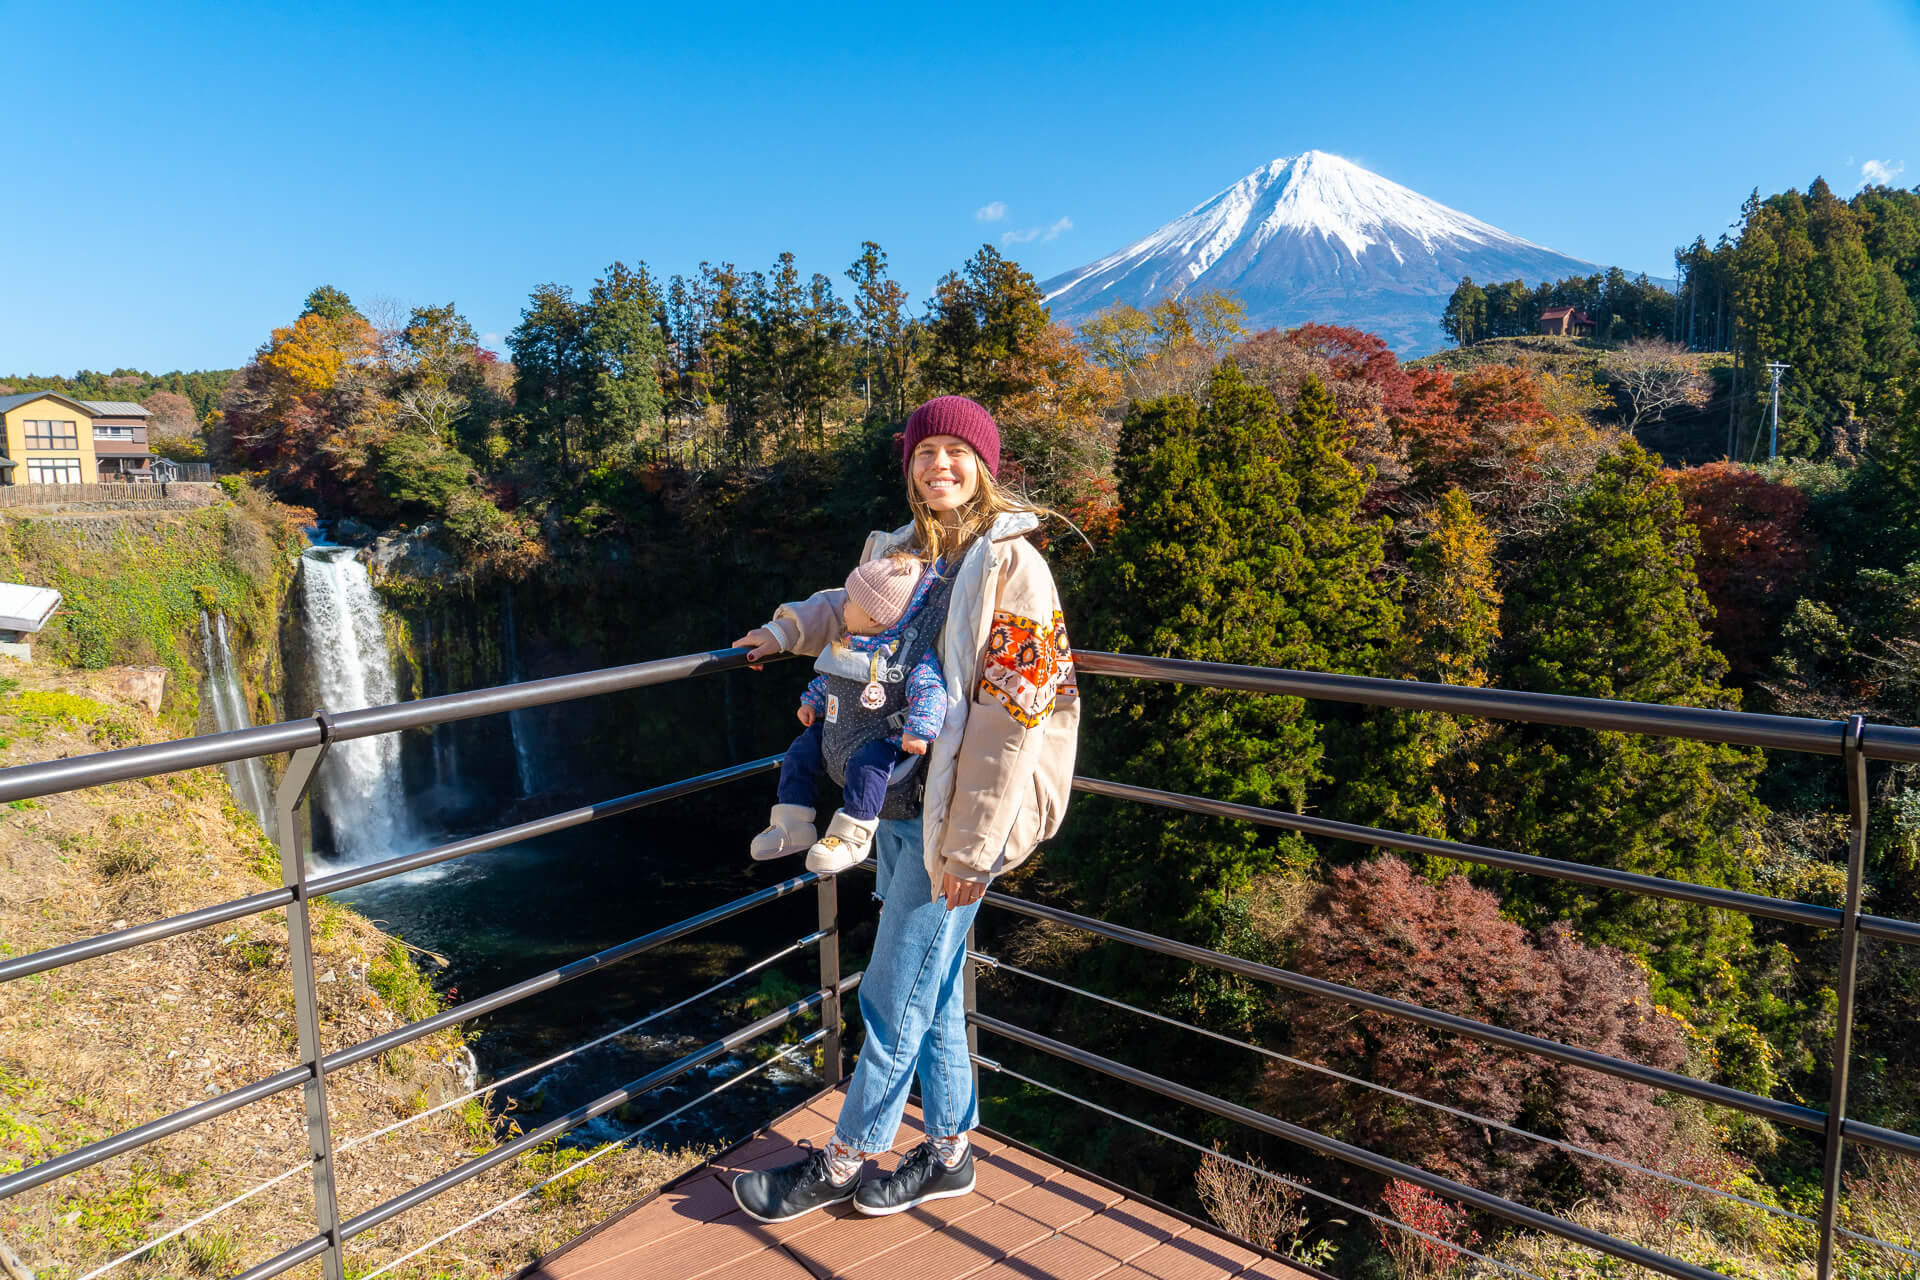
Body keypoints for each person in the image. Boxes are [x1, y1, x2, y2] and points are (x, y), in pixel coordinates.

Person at [729, 394, 1079, 1223]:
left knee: (891, 996)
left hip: (956, 823)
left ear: (984, 466)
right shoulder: (900, 549)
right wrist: (782, 632)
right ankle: (951, 1153)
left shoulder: (1014, 568)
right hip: (895, 807)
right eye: (926, 453)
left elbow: (1014, 716)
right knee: (936, 985)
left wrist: (974, 849)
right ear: (909, 466)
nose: (940, 467)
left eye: (957, 453)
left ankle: (846, 1162)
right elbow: (845, 609)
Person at [750, 554, 950, 874]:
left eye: (851, 602)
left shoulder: (907, 654)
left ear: (873, 617)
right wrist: (811, 703)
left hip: (879, 738)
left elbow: (931, 691)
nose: (843, 607)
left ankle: (852, 834)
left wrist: (919, 730)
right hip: (836, 729)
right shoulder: (849, 642)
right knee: (800, 752)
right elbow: (831, 679)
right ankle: (792, 821)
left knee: (867, 767)